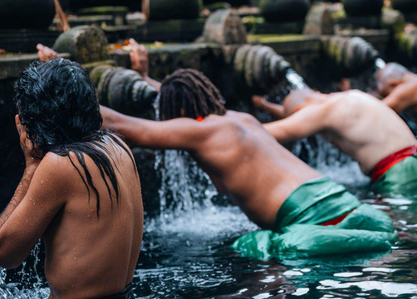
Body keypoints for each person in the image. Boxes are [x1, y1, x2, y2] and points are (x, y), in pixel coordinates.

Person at [99, 68, 397, 260]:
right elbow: (181, 96)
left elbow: (128, 127)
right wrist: (144, 75)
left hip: (310, 223)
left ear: (177, 110)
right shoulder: (242, 119)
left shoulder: (200, 131)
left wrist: (63, 79)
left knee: (247, 252)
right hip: (344, 202)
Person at [0, 58, 143, 299]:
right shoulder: (117, 145)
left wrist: (31, 166)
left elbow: (3, 253)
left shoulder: (61, 165)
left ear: (35, 119)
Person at [252, 89, 417, 195]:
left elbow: (282, 130)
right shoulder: (347, 97)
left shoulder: (321, 112)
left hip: (400, 175)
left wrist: (230, 124)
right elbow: (293, 115)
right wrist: (264, 105)